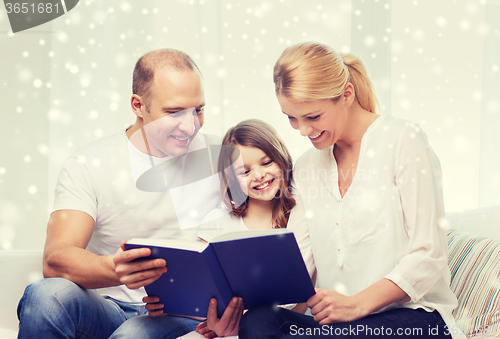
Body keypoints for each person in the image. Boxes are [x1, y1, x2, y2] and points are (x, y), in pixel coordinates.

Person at [238, 42, 465, 339]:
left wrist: (356, 304)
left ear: (346, 95)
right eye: (292, 118)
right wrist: (237, 312)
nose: (302, 130)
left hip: (415, 318)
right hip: (340, 327)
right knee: (259, 320)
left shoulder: (404, 141)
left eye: (313, 117)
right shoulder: (307, 167)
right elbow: (300, 264)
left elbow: (429, 256)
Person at [16, 49, 222, 339]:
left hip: (184, 314)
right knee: (45, 295)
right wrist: (113, 269)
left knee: (131, 336)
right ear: (139, 105)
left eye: (198, 110)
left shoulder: (225, 157)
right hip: (109, 307)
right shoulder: (90, 164)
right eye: (174, 112)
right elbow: (55, 259)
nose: (190, 126)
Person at [132, 119, 316, 339]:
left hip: (280, 325)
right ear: (231, 178)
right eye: (245, 171)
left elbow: (301, 295)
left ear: (282, 159)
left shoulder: (301, 211)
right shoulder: (218, 221)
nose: (258, 175)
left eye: (266, 163)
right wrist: (168, 306)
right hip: (223, 327)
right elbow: (204, 292)